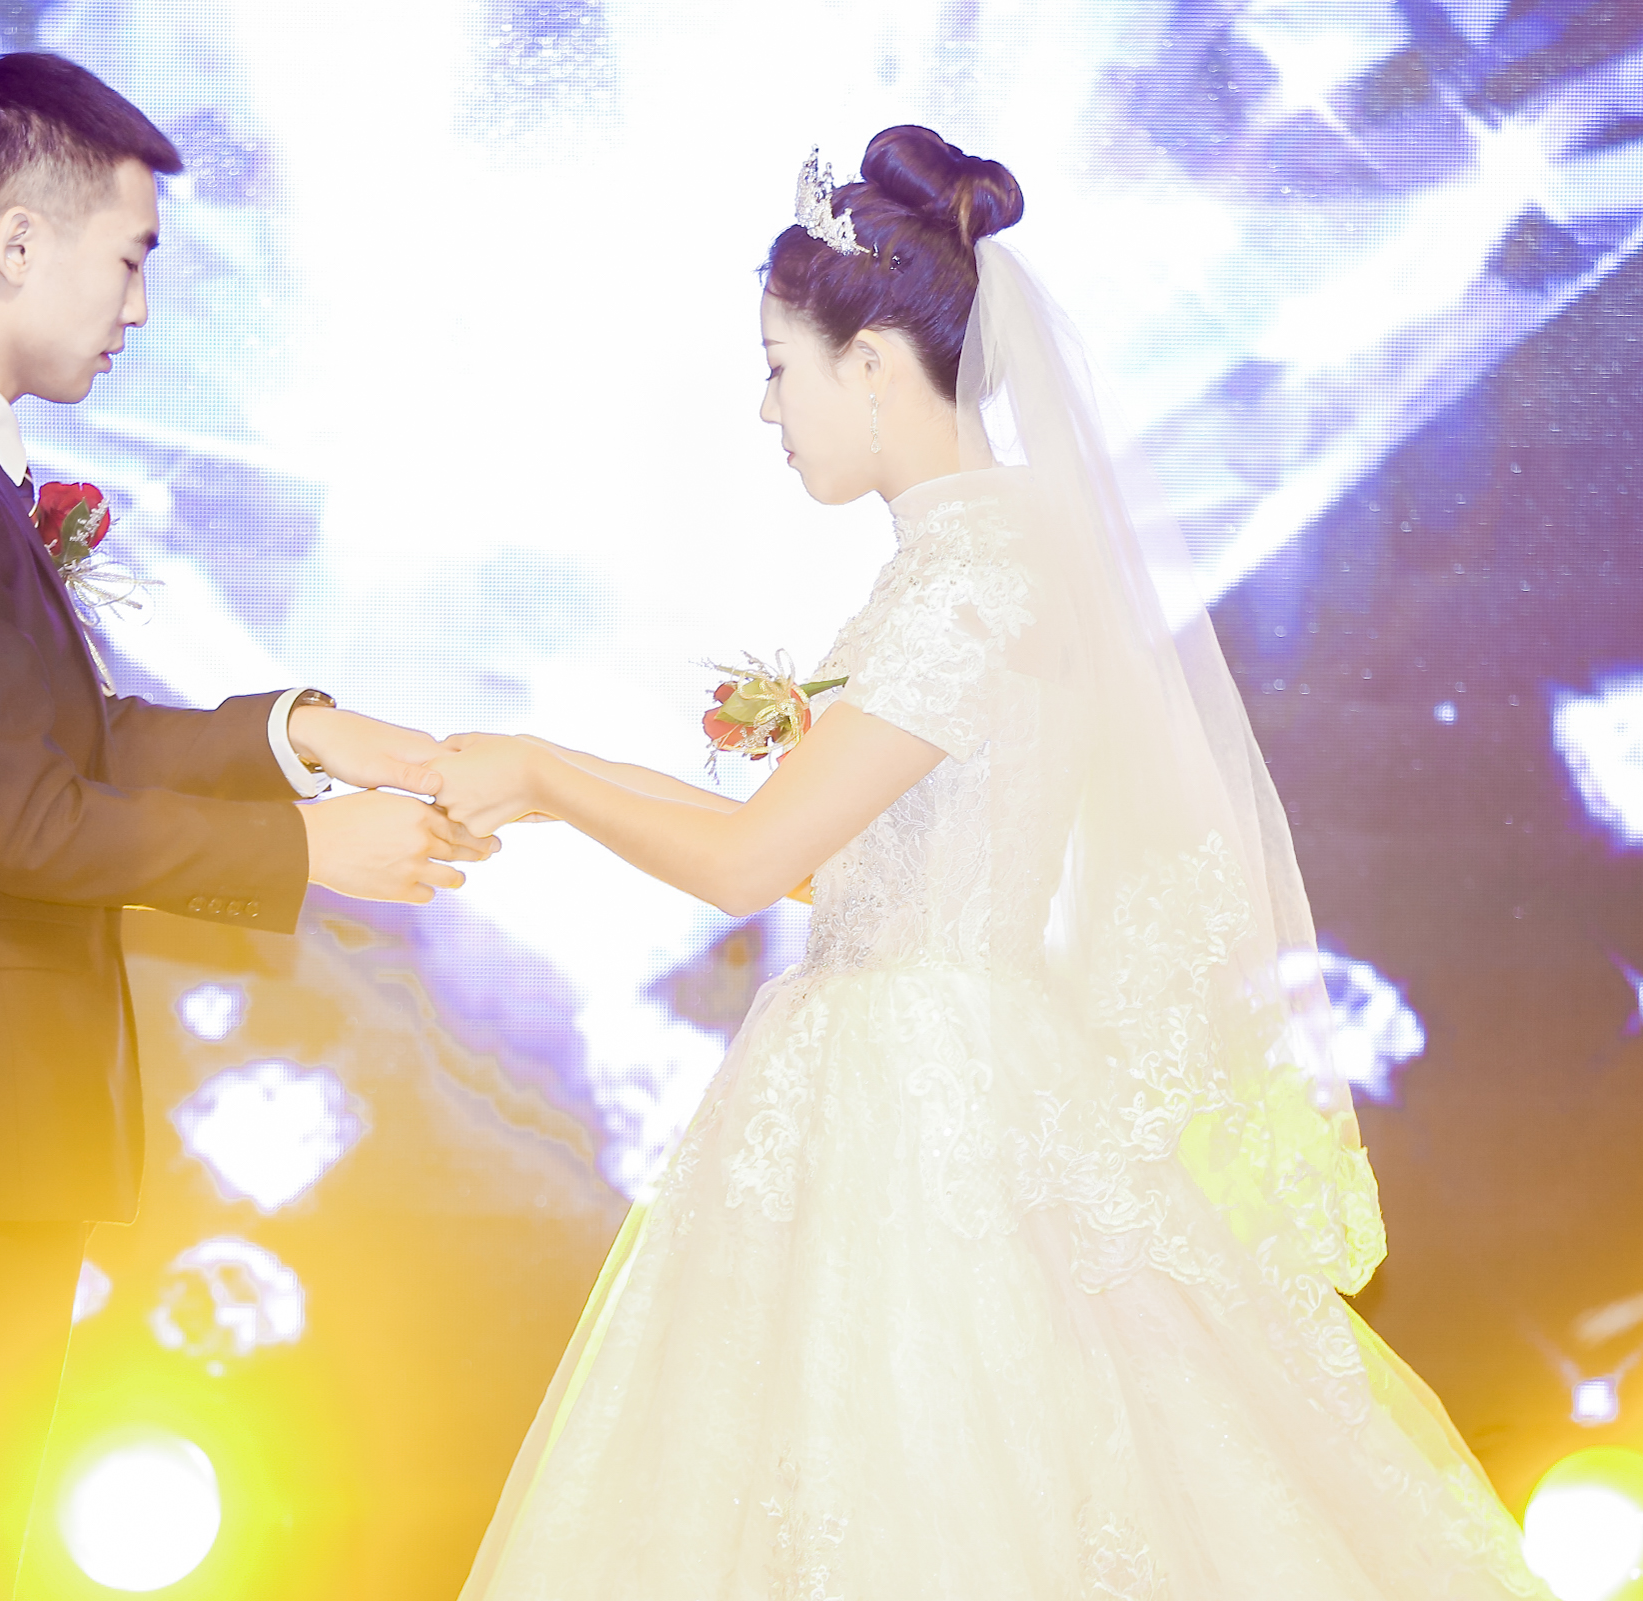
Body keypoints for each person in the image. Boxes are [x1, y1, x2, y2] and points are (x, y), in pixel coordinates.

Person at [429, 127, 1551, 1599]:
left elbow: (751, 860)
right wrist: (555, 779)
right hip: (912, 1058)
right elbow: (829, 860)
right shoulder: (965, 560)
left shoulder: (973, 579)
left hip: (918, 1092)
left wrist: (541, 773)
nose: (764, 408)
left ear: (869, 366)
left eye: (777, 367)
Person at [0, 53, 491, 1601]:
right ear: (16, 241)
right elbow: (26, 820)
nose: (141, 306)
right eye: (131, 257)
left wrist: (297, 737)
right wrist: (312, 854)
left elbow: (59, 744)